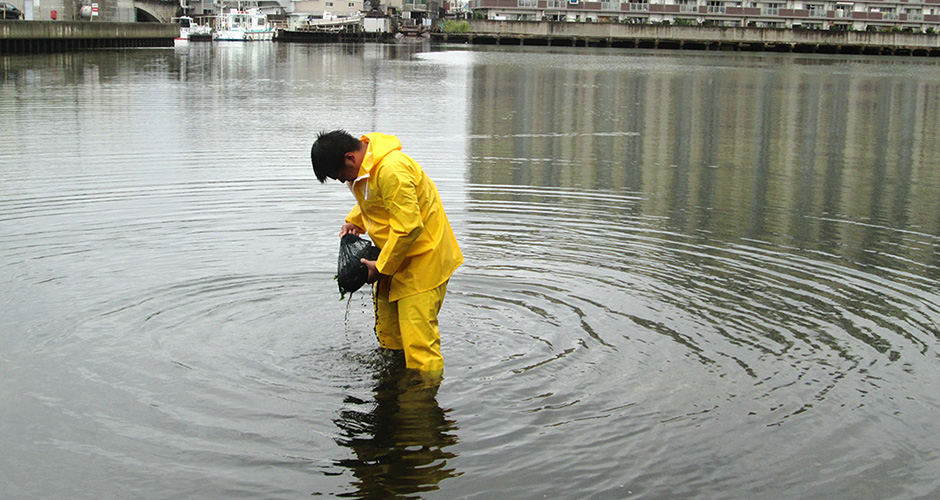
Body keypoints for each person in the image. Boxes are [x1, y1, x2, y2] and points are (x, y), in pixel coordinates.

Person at [311, 130, 463, 377]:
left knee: (420, 348)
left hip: (422, 263)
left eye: (340, 177)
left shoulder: (392, 169)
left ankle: (421, 404)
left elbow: (409, 227)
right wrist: (355, 221)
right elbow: (374, 199)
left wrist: (380, 268)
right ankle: (392, 392)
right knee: (389, 337)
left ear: (350, 157)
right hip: (391, 259)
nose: (342, 182)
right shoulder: (366, 171)